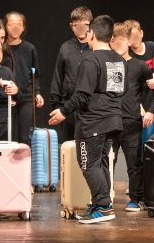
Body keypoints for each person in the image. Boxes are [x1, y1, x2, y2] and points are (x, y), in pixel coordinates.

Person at [49, 15, 125, 224]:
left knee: (89, 163)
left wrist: (63, 111)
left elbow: (83, 94)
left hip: (94, 121)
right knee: (100, 162)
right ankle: (101, 203)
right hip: (112, 119)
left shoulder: (90, 59)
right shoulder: (118, 59)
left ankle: (103, 207)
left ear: (92, 33)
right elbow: (117, 90)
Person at [109, 22, 153, 211]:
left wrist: (149, 109)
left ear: (126, 41)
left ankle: (136, 198)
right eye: (111, 40)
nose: (112, 44)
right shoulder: (110, 65)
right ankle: (104, 197)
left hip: (131, 122)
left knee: (134, 163)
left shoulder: (139, 66)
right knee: (108, 161)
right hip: (110, 120)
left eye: (116, 40)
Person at [49, 6, 93, 145]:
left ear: (90, 25)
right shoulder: (66, 47)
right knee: (69, 150)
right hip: (67, 107)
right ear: (71, 26)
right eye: (76, 25)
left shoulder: (96, 49)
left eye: (85, 25)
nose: (81, 29)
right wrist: (56, 105)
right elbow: (58, 76)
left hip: (90, 109)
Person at [4, 11, 44, 145]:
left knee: (25, 137)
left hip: (26, 97)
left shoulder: (29, 48)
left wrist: (37, 92)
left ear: (23, 27)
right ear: (5, 26)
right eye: (12, 24)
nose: (15, 28)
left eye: (19, 25)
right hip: (6, 97)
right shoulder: (1, 48)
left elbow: (35, 73)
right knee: (6, 136)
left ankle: (25, 165)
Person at [124, 19, 154, 126]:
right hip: (140, 105)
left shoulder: (152, 47)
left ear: (141, 33)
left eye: (136, 36)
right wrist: (139, 106)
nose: (134, 40)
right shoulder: (128, 56)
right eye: (131, 38)